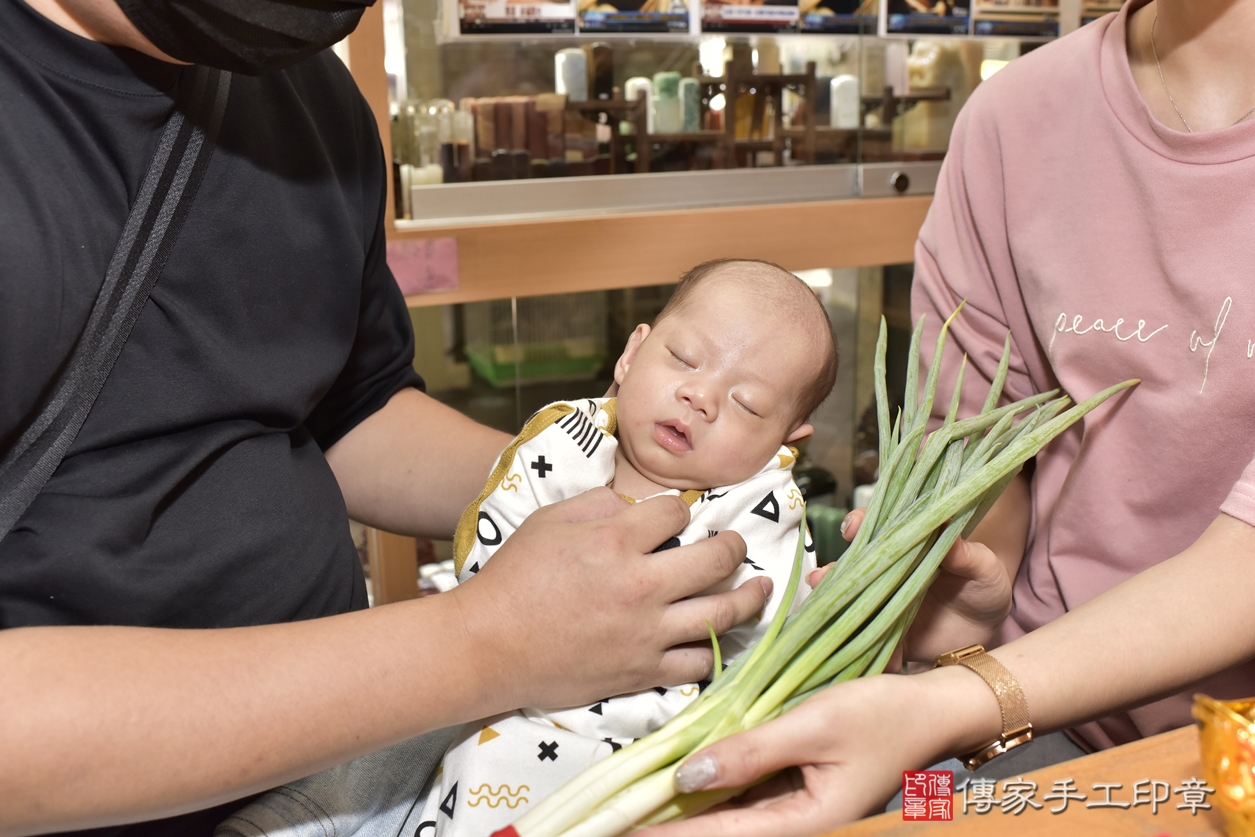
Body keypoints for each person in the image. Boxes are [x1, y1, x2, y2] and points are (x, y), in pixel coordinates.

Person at [0, 3, 771, 835]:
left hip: (344, 784)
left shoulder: (306, 94)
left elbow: (349, 413)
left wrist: (625, 497)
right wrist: (488, 642)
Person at [638, 0, 1255, 834]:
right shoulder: (1016, 119)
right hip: (1044, 725)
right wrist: (963, 603)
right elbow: (978, 451)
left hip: (1176, 750)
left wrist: (953, 700)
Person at [215, 259, 839, 837]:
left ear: (788, 439)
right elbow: (491, 534)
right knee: (389, 722)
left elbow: (773, 649)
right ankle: (301, 819)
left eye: (746, 403)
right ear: (632, 353)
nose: (699, 396)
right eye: (683, 358)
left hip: (633, 737)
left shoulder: (762, 512)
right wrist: (509, 620)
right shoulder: (565, 440)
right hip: (489, 667)